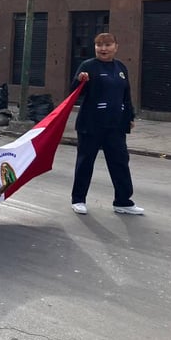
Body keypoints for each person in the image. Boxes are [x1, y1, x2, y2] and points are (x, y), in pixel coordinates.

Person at [69, 32, 143, 215]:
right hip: (91, 124)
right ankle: (78, 199)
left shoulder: (121, 68)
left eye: (108, 45)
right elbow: (74, 93)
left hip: (115, 125)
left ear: (116, 47)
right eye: (99, 45)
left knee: (120, 163)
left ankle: (123, 201)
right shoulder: (88, 66)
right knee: (85, 162)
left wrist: (130, 117)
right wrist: (80, 81)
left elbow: (126, 95)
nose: (103, 49)